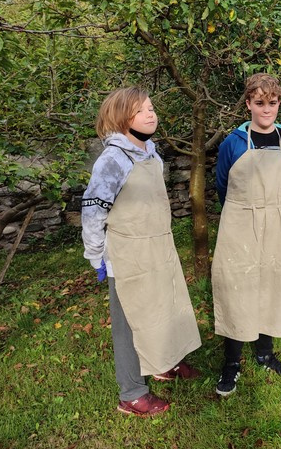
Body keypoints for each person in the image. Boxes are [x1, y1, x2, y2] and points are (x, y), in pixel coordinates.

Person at [82, 87, 202, 417]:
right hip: (128, 254)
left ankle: (164, 363)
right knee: (129, 321)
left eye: (151, 108)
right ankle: (132, 393)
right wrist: (96, 255)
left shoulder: (151, 154)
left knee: (164, 306)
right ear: (122, 118)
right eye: (141, 110)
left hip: (158, 246)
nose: (151, 114)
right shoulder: (112, 160)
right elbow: (93, 211)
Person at [212, 73, 281, 397]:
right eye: (260, 103)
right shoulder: (233, 143)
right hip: (240, 223)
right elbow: (222, 186)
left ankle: (265, 353)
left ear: (279, 104)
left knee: (272, 286)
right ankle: (231, 362)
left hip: (277, 225)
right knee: (238, 288)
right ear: (249, 104)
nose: (267, 109)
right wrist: (246, 212)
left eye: (273, 103)